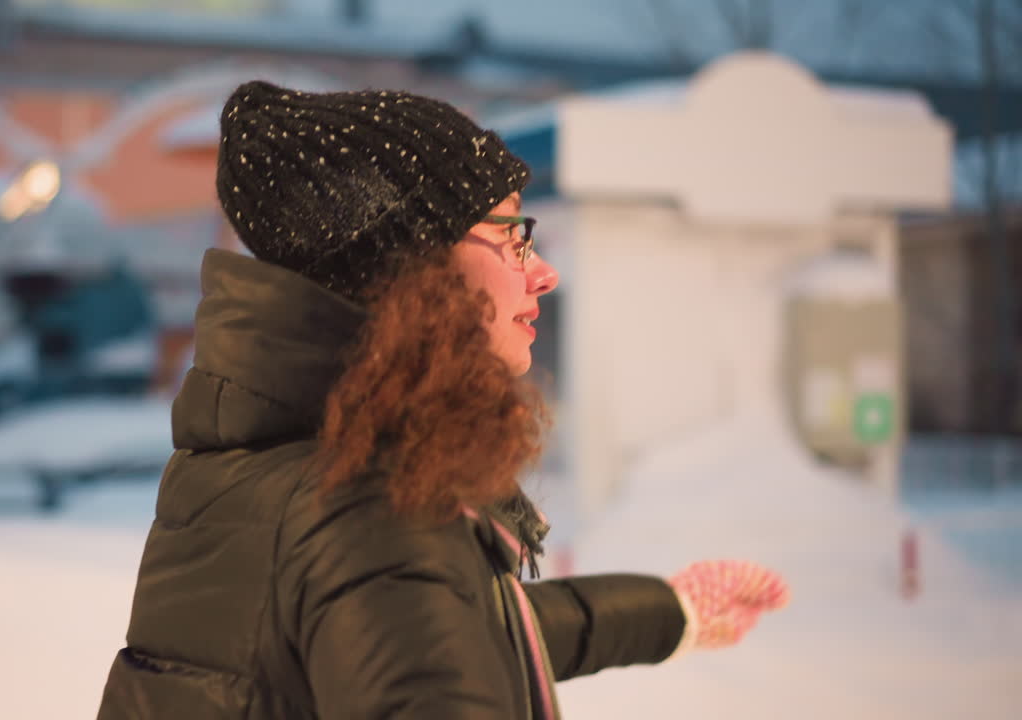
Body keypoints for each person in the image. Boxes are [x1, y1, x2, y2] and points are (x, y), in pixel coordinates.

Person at [96, 80, 789, 720]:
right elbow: (406, 601)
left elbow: (433, 623)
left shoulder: (266, 469)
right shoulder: (368, 504)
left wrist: (668, 613)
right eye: (512, 234)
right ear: (411, 265)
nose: (543, 273)